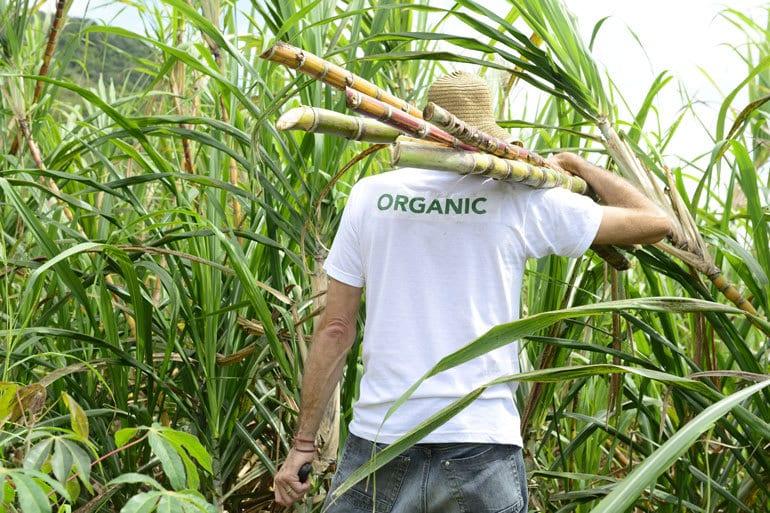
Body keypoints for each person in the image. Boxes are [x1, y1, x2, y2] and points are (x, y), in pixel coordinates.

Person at [273, 71, 672, 512]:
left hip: (380, 443)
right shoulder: (520, 199)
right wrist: (578, 166)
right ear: (486, 134)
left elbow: (334, 329)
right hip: (481, 446)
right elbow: (655, 221)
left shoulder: (370, 197)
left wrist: (304, 444)